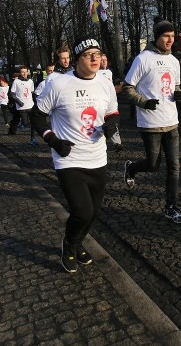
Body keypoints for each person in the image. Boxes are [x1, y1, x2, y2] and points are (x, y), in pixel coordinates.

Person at [30, 37, 120, 273]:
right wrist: (52, 139)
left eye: (97, 53)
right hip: (68, 157)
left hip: (98, 156)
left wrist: (112, 124)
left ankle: (78, 243)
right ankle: (69, 245)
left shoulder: (105, 83)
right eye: (88, 54)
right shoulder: (58, 83)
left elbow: (113, 112)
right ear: (77, 60)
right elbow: (37, 116)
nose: (94, 58)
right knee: (83, 211)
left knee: (95, 211)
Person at [121, 20, 181, 223]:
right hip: (150, 123)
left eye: (173, 36)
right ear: (157, 37)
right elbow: (127, 88)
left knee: (174, 166)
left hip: (171, 121)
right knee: (152, 165)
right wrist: (144, 102)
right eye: (166, 36)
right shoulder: (143, 59)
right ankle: (131, 168)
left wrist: (178, 94)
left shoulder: (175, 61)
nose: (170, 40)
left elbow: (176, 86)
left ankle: (170, 206)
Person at [99, 53, 123, 152]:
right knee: (100, 122)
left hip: (111, 101)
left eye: (105, 59)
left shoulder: (110, 72)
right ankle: (100, 144)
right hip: (100, 101)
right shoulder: (96, 73)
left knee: (113, 122)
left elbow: (116, 85)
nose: (104, 61)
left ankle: (117, 143)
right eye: (101, 60)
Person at [10, 66, 35, 139]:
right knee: (26, 123)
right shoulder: (16, 81)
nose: (24, 73)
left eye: (25, 72)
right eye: (22, 72)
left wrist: (35, 102)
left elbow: (32, 92)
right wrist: (19, 102)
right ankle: (22, 123)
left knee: (33, 123)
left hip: (31, 105)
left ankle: (32, 138)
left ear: (27, 72)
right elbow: (12, 94)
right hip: (21, 106)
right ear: (20, 73)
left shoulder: (30, 81)